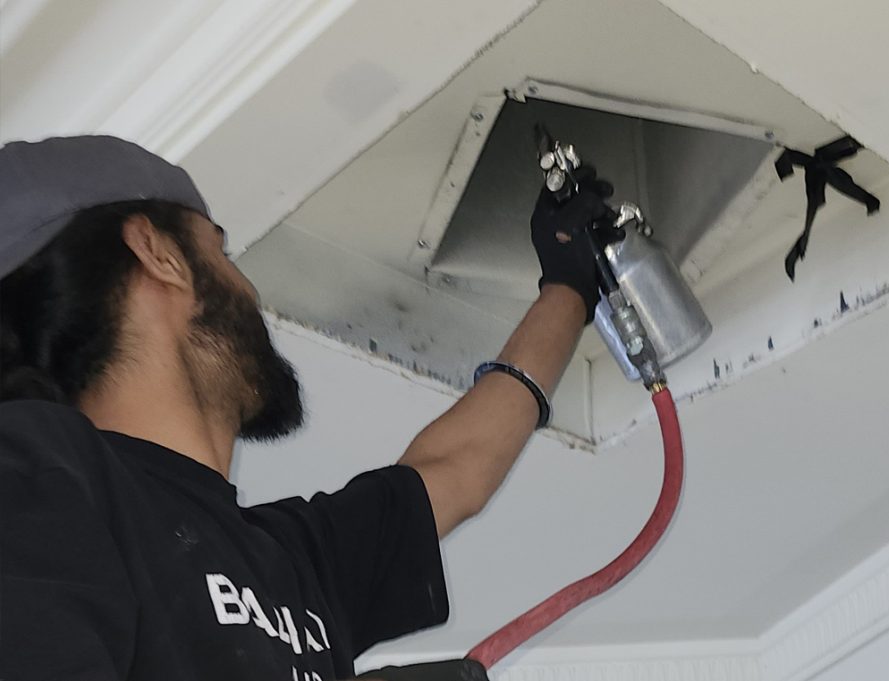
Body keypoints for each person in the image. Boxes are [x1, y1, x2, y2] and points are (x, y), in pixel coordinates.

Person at [0, 135, 615, 680]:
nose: (248, 289)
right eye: (222, 252)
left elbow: (456, 471)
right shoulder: (35, 471)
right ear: (158, 253)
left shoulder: (286, 562)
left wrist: (569, 287)